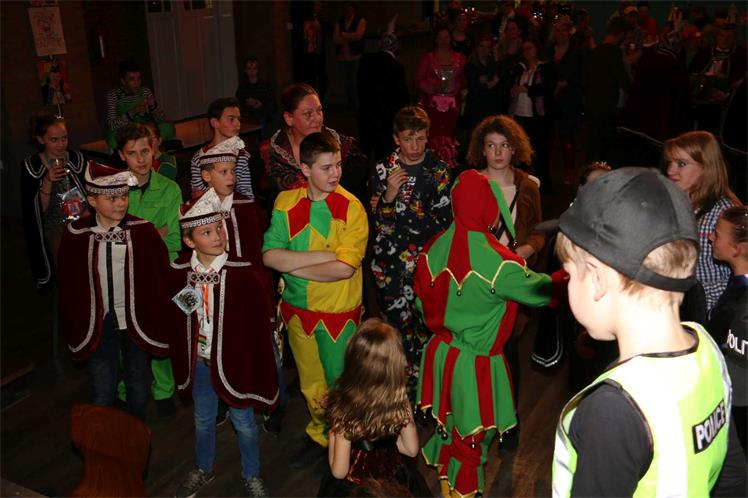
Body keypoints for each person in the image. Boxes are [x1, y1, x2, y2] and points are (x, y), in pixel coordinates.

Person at [552, 167, 746, 497]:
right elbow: (733, 477)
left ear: (597, 278)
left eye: (570, 275)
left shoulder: (613, 410)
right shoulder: (708, 350)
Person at [415, 169, 565, 497]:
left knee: (447, 430)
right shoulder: (500, 263)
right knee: (472, 443)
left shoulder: (432, 249)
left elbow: (420, 301)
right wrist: (575, 269)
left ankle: (447, 490)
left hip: (440, 355)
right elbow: (545, 291)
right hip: (475, 366)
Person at [262, 131, 368, 451]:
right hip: (297, 312)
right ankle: (322, 433)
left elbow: (344, 269)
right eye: (326, 167)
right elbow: (269, 257)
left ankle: (346, 442)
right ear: (306, 169)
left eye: (338, 165)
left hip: (337, 313)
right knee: (311, 382)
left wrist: (291, 266)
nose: (335, 173)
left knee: (341, 380)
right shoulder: (285, 203)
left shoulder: (352, 208)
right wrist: (323, 256)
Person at [168, 190, 278, 498]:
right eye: (206, 232)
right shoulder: (182, 273)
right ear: (189, 241)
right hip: (201, 363)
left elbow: (255, 324)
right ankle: (203, 467)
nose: (217, 236)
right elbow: (181, 317)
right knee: (203, 420)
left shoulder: (242, 272)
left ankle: (252, 473)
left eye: (219, 228)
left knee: (244, 423)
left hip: (234, 363)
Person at [57, 161, 169, 421]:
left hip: (135, 321)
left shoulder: (143, 232)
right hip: (98, 323)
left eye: (124, 197)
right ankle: (103, 439)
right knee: (102, 387)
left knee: (137, 383)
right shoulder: (77, 234)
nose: (120, 204)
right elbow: (70, 286)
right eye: (112, 199)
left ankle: (136, 433)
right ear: (92, 201)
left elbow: (161, 275)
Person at [369, 106, 452, 401]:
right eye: (407, 139)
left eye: (419, 138)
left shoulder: (440, 171)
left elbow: (444, 223)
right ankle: (399, 398)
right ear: (396, 139)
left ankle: (428, 397)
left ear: (427, 136)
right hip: (389, 268)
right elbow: (380, 226)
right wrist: (389, 196)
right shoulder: (382, 170)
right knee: (395, 333)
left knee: (429, 330)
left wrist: (393, 211)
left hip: (427, 266)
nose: (414, 146)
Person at [318, 319, 430, 497]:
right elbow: (411, 449)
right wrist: (384, 446)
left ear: (353, 361)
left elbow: (339, 471)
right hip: (393, 485)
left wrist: (333, 432)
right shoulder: (399, 401)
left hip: (359, 491)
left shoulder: (345, 409)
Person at [116, 123, 182, 417]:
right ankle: (125, 389)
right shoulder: (115, 190)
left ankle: (164, 390)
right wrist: (155, 231)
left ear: (154, 149)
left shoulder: (170, 188)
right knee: (125, 334)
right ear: (122, 155)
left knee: (159, 332)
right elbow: (113, 235)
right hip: (123, 273)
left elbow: (175, 238)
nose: (141, 159)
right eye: (132, 153)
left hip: (159, 272)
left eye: (145, 151)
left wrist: (140, 235)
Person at [663, 131, 741, 315]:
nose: (670, 171)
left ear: (706, 168)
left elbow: (734, 280)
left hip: (707, 314)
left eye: (681, 164)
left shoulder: (722, 213)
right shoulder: (674, 204)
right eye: (670, 163)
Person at [266, 83, 367, 202]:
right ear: (289, 118)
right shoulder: (273, 153)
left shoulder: (342, 145)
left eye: (319, 110)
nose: (317, 118)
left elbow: (359, 186)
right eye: (308, 113)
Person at [21, 113, 87, 288]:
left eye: (64, 138)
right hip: (54, 225)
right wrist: (48, 181)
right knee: (66, 268)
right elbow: (37, 210)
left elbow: (88, 194)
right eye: (54, 140)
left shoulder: (77, 159)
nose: (61, 144)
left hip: (80, 218)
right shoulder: (33, 166)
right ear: (41, 139)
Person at [708, 205, 748, 456]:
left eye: (717, 234)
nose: (710, 237)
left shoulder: (739, 304)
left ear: (737, 249)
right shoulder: (735, 287)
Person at [415, 26, 467, 168]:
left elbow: (465, 80)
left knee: (449, 134)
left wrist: (457, 85)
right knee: (433, 134)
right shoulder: (428, 58)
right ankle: (430, 164)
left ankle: (449, 163)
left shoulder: (460, 58)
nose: (444, 40)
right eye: (440, 37)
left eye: (446, 37)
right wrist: (432, 86)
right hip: (433, 106)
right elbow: (418, 80)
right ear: (436, 40)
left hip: (452, 105)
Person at [508, 38, 556, 190]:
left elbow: (548, 88)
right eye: (524, 49)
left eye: (530, 48)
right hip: (519, 113)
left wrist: (528, 90)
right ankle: (520, 182)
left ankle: (542, 184)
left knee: (539, 151)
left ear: (537, 49)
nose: (527, 52)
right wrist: (514, 90)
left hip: (537, 116)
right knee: (520, 150)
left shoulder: (545, 68)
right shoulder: (520, 69)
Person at [356, 27, 410, 161]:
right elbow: (402, 97)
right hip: (386, 120)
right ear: (397, 47)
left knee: (363, 153)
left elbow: (358, 87)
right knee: (383, 156)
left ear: (380, 43)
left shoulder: (366, 60)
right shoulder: (396, 67)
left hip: (366, 116)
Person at [582, 18, 629, 164]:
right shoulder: (614, 52)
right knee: (604, 144)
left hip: (591, 102)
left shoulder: (594, 52)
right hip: (607, 104)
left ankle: (588, 170)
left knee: (592, 142)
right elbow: (623, 80)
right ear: (622, 34)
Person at [190, 97, 255, 200]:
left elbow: (246, 193)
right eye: (231, 119)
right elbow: (198, 194)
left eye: (239, 119)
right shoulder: (200, 157)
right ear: (215, 122)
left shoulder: (242, 155)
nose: (238, 124)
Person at [105, 60, 174, 151]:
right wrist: (132, 113)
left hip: (144, 131)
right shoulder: (113, 95)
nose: (137, 83)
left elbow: (161, 119)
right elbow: (112, 125)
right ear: (123, 81)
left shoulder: (145, 91)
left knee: (168, 127)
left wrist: (153, 106)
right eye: (132, 79)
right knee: (113, 140)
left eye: (139, 78)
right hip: (126, 133)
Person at [546, 19, 583, 184]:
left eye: (564, 31)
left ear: (569, 33)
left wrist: (565, 83)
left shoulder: (576, 52)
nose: (560, 34)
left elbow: (581, 76)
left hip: (569, 100)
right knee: (548, 137)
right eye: (558, 30)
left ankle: (569, 170)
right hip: (550, 99)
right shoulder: (548, 51)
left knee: (567, 136)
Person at [463, 35, 502, 134]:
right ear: (477, 47)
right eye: (482, 46)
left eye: (487, 47)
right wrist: (489, 83)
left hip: (490, 106)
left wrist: (486, 82)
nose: (484, 50)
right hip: (475, 107)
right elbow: (473, 86)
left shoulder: (492, 63)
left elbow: (498, 81)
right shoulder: (471, 64)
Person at [333, 2, 366, 112]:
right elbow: (335, 39)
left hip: (355, 55)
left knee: (355, 81)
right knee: (346, 82)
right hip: (342, 56)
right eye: (346, 8)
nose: (347, 11)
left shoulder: (360, 20)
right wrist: (348, 37)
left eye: (349, 9)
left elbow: (358, 36)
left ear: (354, 10)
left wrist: (344, 35)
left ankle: (357, 105)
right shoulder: (340, 22)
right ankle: (350, 104)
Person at [235, 56, 277, 138]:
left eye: (254, 68)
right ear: (245, 70)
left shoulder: (265, 86)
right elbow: (239, 103)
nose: (252, 71)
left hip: (263, 119)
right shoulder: (243, 88)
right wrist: (248, 104)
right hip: (248, 119)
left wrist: (261, 104)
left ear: (258, 70)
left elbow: (272, 105)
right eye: (249, 68)